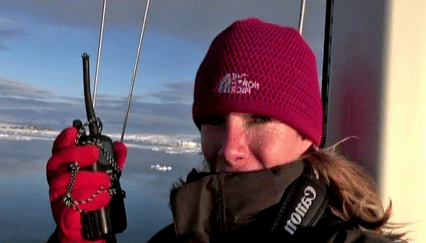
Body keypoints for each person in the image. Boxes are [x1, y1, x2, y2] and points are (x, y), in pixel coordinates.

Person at [46, 18, 407, 243]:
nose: (230, 149)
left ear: (308, 136)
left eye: (261, 120)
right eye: (215, 121)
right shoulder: (171, 238)